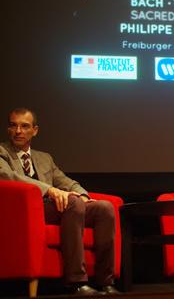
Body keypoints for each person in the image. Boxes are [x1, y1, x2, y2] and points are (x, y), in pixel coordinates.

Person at [0, 108, 120, 295]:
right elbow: (8, 176)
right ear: (8, 129)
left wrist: (83, 195)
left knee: (104, 208)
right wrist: (49, 189)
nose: (18, 131)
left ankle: (106, 281)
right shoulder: (2, 152)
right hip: (24, 212)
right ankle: (76, 282)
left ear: (35, 130)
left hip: (52, 209)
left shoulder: (44, 158)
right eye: (13, 126)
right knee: (73, 203)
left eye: (24, 126)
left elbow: (66, 182)